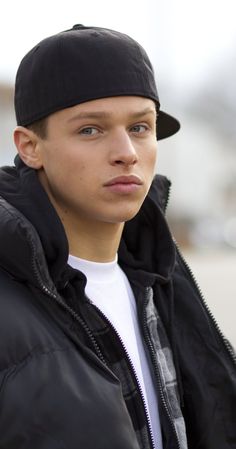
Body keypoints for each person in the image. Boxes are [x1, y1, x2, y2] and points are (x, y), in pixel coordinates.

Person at [0, 24, 235, 449]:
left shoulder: (159, 277)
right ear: (30, 147)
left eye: (141, 127)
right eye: (90, 129)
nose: (126, 151)